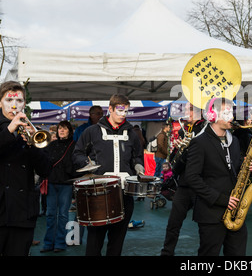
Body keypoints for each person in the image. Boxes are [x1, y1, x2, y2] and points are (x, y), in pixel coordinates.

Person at [72, 94, 144, 256]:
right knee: (94, 243)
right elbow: (77, 154)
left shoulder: (132, 134)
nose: (123, 114)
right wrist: (87, 165)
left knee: (117, 243)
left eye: (125, 111)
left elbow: (137, 156)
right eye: (119, 110)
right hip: (98, 193)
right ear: (110, 109)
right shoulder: (92, 131)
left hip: (124, 194)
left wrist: (139, 166)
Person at [184, 97, 252, 256]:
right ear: (212, 115)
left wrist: (247, 167)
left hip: (235, 212)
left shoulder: (235, 140)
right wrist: (222, 199)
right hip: (211, 214)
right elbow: (192, 177)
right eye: (226, 113)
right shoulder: (200, 142)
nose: (231, 117)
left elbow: (234, 169)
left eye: (232, 112)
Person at [0, 81, 51, 256]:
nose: (14, 105)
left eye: (19, 101)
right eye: (8, 100)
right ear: (0, 103)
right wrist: (9, 130)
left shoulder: (29, 130)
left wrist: (32, 145)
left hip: (23, 213)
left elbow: (46, 170)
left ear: (24, 104)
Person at [160, 102, 205, 256]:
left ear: (200, 112)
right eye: (186, 110)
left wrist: (188, 149)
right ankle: (167, 252)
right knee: (173, 223)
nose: (187, 113)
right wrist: (178, 151)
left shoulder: (206, 129)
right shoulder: (183, 130)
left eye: (190, 110)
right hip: (184, 184)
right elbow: (175, 162)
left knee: (204, 226)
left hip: (201, 184)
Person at [41, 120, 78, 253]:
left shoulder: (74, 146)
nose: (61, 131)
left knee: (63, 215)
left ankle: (60, 243)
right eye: (60, 129)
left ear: (69, 131)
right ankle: (48, 243)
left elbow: (76, 164)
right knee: (50, 214)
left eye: (64, 128)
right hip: (51, 183)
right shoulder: (51, 145)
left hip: (66, 184)